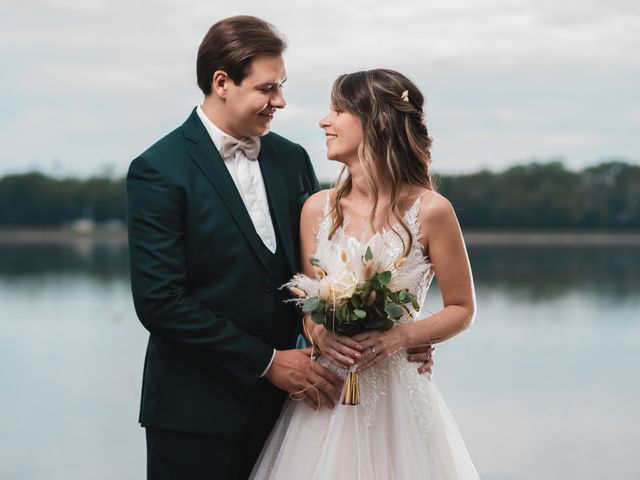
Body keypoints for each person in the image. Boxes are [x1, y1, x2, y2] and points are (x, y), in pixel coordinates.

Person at [126, 17, 434, 480]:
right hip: (195, 416)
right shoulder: (158, 169)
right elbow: (161, 304)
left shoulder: (292, 159)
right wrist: (268, 363)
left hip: (299, 409)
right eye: (268, 88)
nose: (281, 102)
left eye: (282, 86)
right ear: (222, 82)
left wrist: (397, 335)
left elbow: (321, 272)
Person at [250, 69, 480, 479]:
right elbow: (308, 304)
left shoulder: (431, 210)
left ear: (377, 122)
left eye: (337, 110)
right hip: (326, 393)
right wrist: (320, 333)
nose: (324, 121)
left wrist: (402, 337)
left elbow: (462, 308)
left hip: (397, 398)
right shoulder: (317, 209)